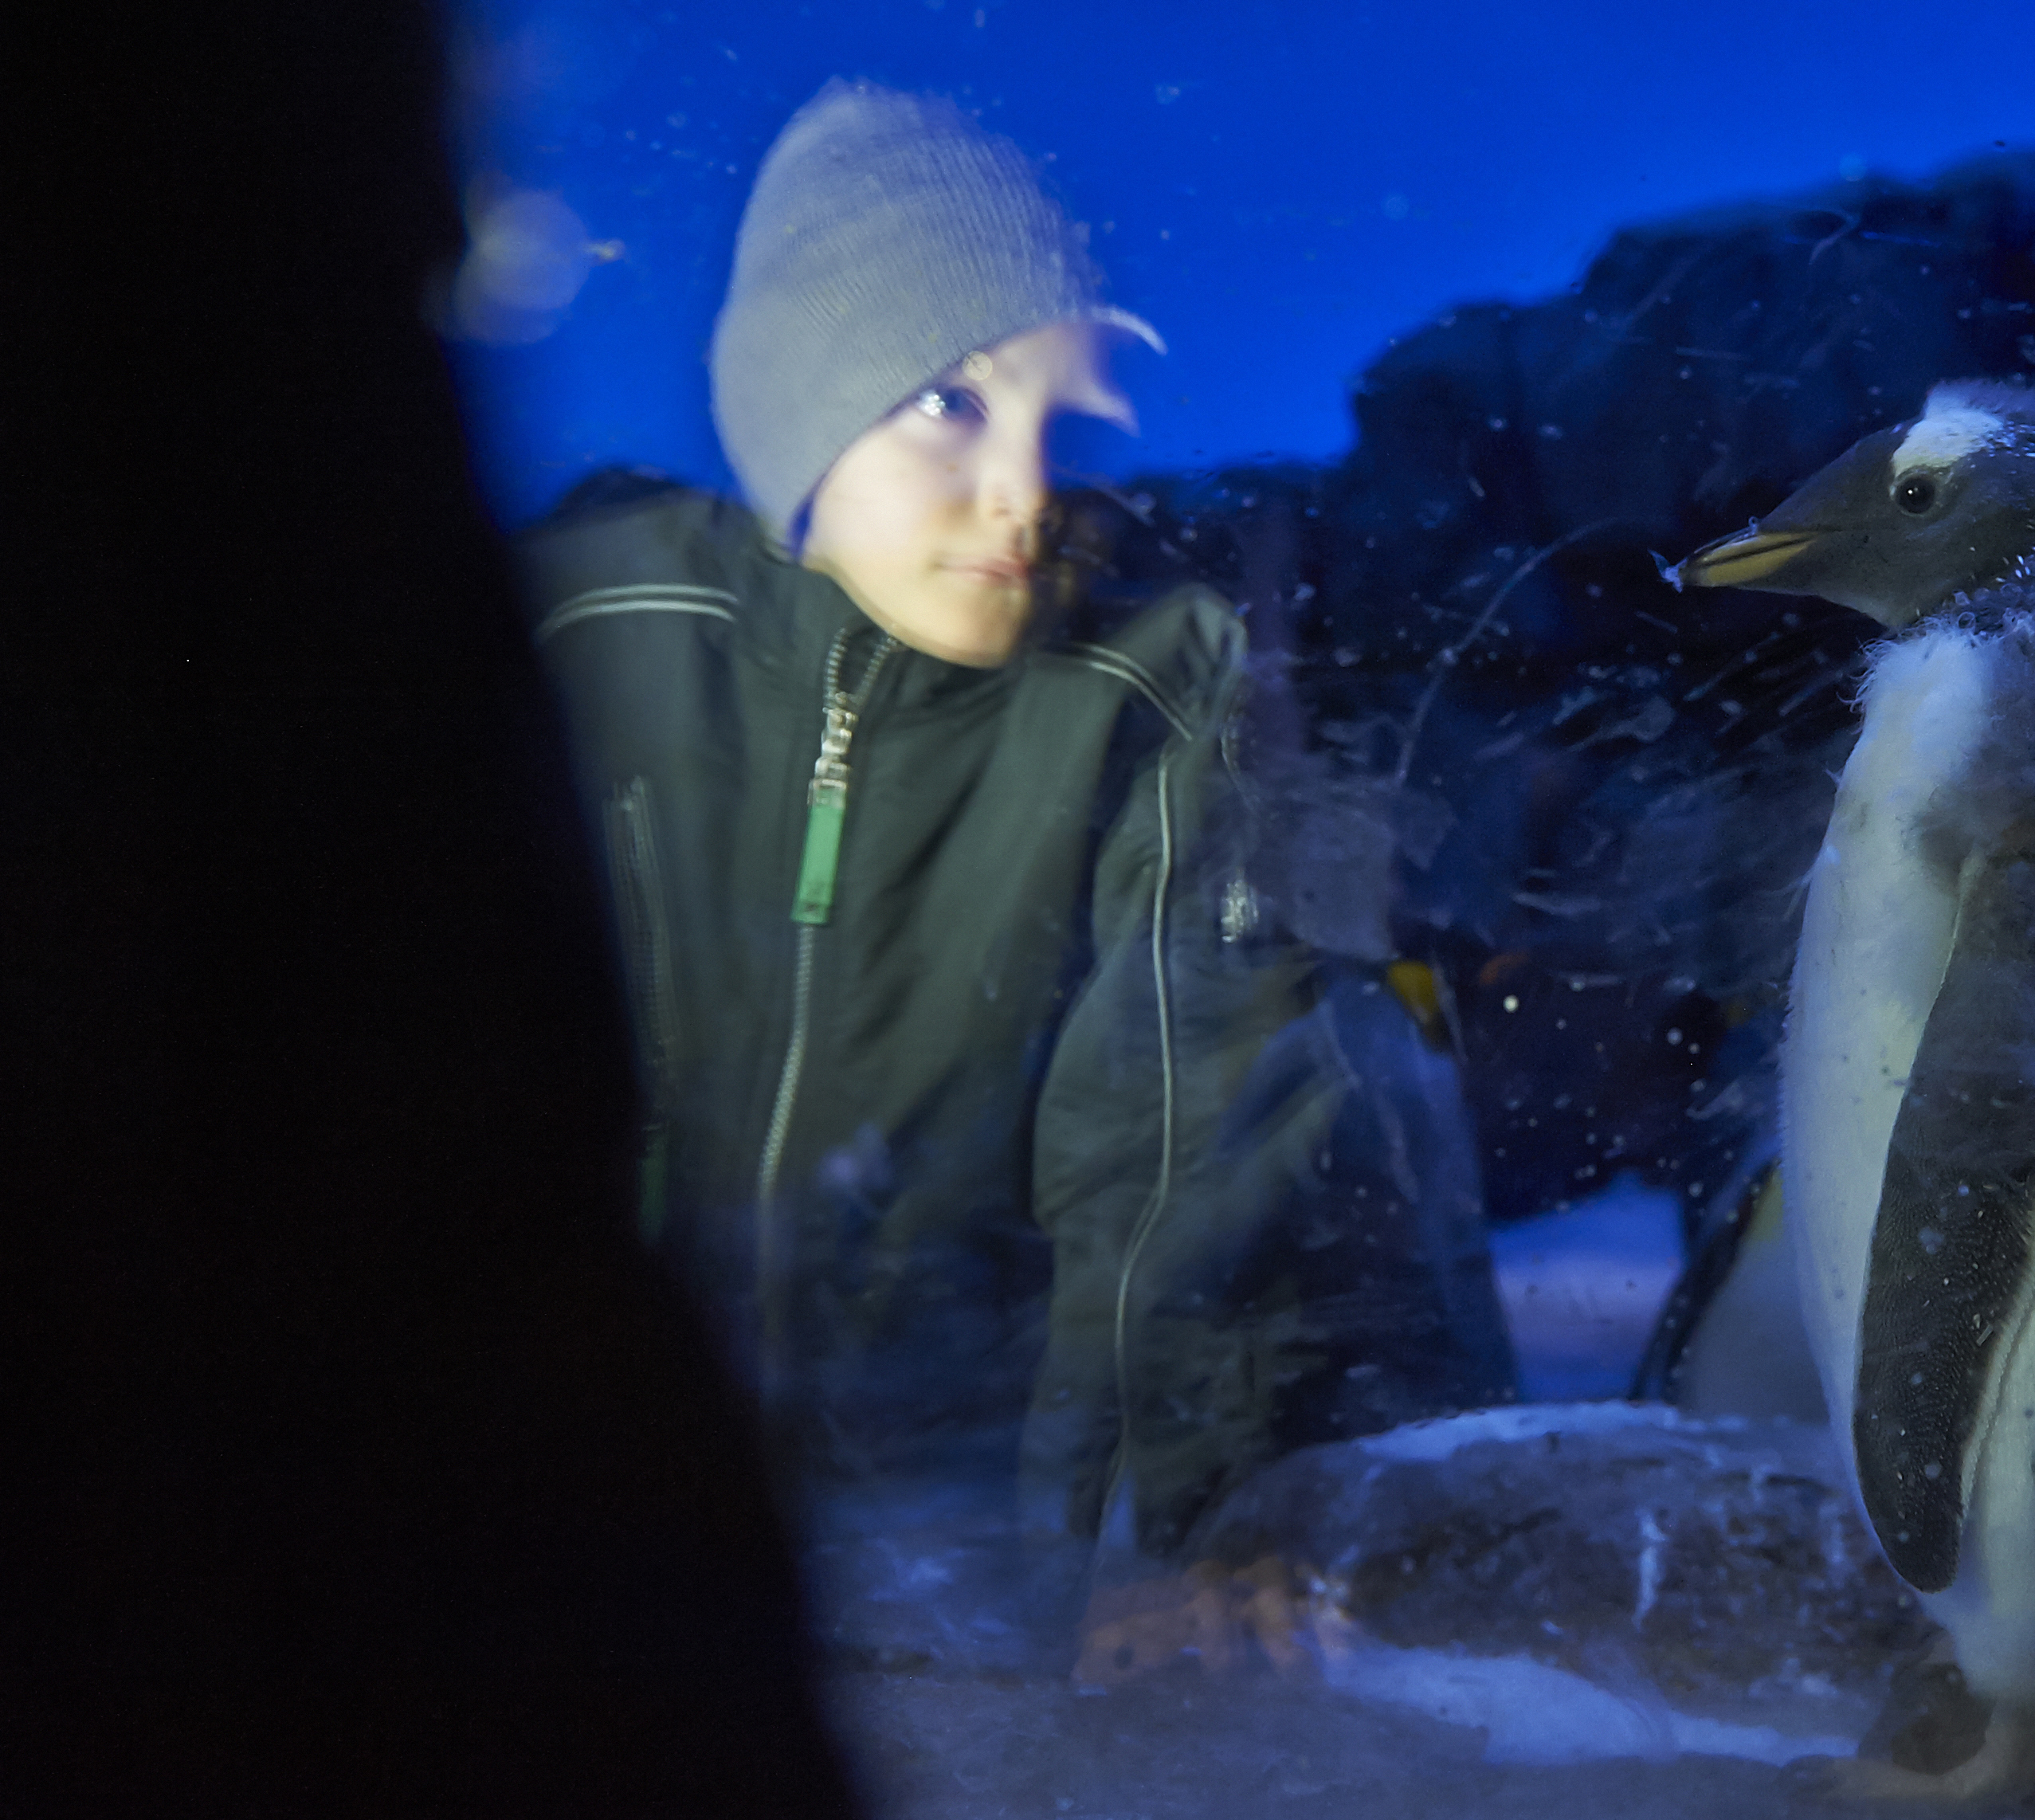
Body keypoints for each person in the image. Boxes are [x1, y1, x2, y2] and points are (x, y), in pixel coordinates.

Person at [520, 80, 1514, 1641]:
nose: (1027, 493)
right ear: (800, 398)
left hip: (951, 1533)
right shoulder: (584, 635)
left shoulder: (1149, 695)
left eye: (1068, 417)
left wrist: (1202, 1519)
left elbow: (1191, 1126)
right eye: (951, 402)